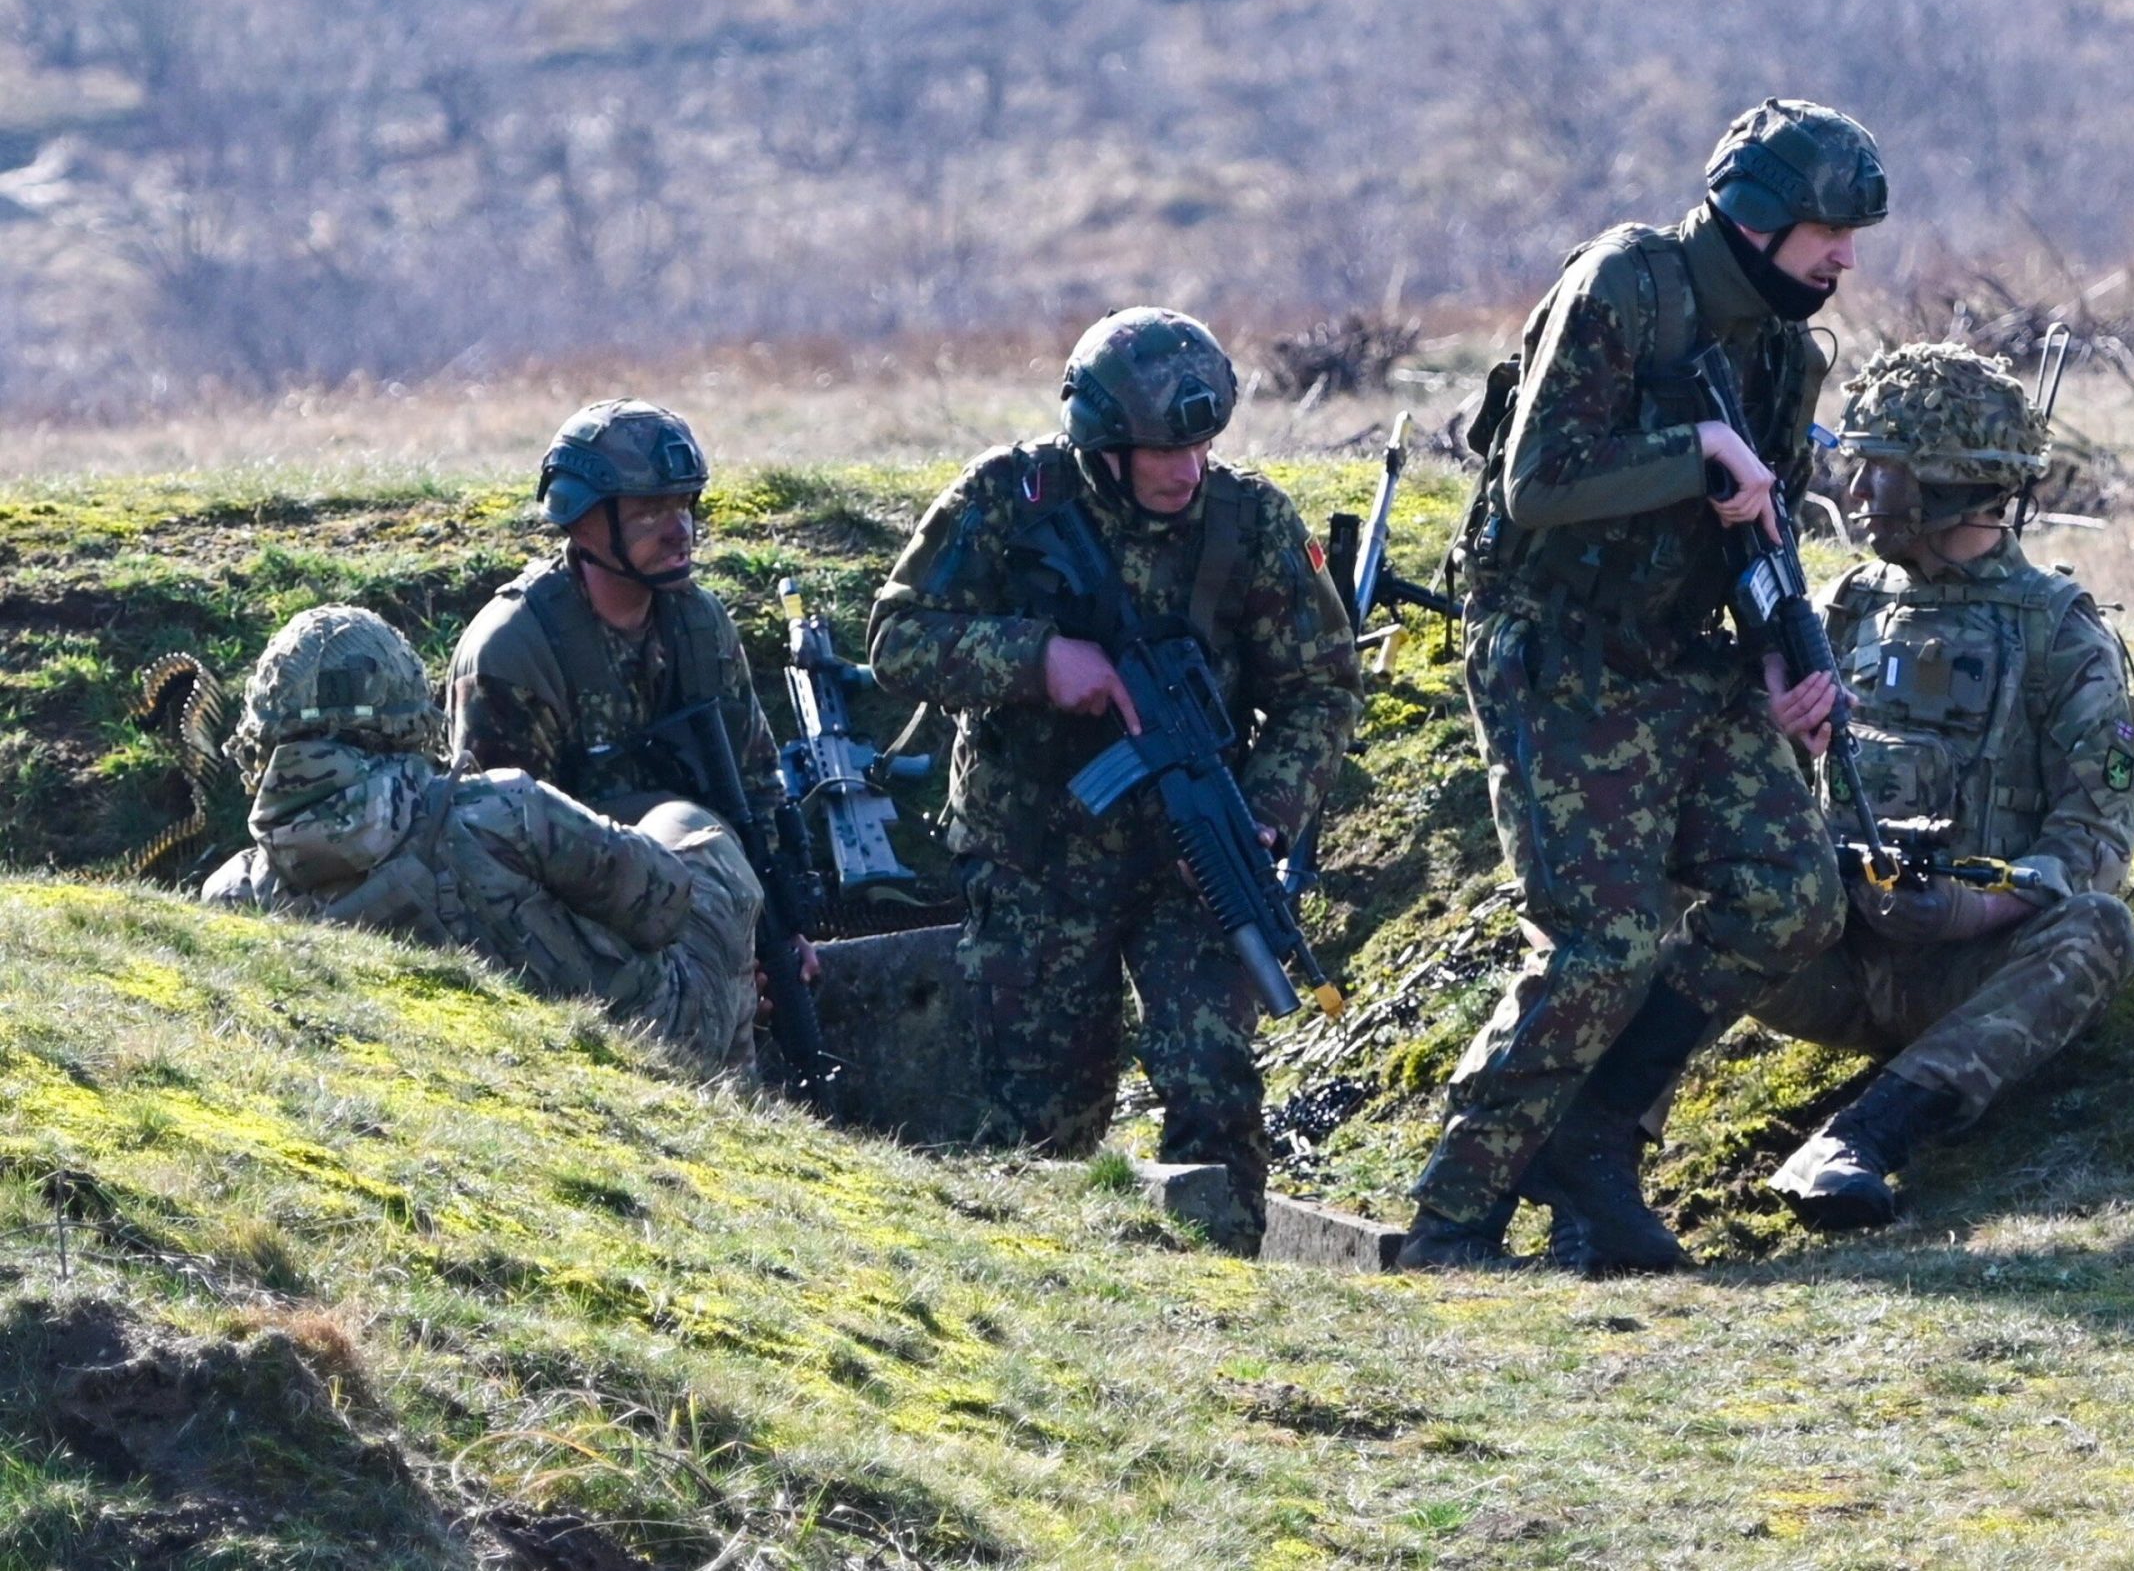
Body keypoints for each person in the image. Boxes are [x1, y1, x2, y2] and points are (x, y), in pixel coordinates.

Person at [1403, 98, 1890, 1273]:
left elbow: (1752, 526)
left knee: (1791, 895)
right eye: (1828, 228)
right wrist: (1691, 454)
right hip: (1559, 650)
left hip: (1689, 654)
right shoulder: (1627, 284)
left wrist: (1786, 652)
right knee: (1603, 938)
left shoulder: (1786, 350)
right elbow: (1536, 482)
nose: (1844, 257)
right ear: (1758, 216)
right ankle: (1452, 1219)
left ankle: (1595, 1141)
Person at [866, 307, 1361, 1248]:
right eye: (1160, 451)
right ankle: (1051, 1299)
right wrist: (1040, 659)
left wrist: (1264, 813)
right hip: (1036, 858)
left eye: (1203, 445)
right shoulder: (1012, 499)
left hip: (1190, 860)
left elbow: (1320, 689)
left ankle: (1229, 1302)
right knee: (1042, 1112)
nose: (1186, 468)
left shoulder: (1248, 520)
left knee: (1216, 1080)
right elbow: (897, 636)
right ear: (1102, 444)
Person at [1744, 341, 2134, 1227]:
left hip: (1968, 972)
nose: (1854, 497)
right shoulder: (1850, 605)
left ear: (1945, 485)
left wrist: (1979, 909)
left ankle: (1862, 1140)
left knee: (2102, 934)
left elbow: (2097, 839)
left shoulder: (2060, 636)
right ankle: (1601, 1144)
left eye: (1877, 474)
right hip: (1834, 955)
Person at [203, 605, 762, 1070]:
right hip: (636, 1047)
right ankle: (743, 1094)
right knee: (691, 830)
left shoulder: (234, 896)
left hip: (431, 1082)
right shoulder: (503, 810)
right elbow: (664, 903)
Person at [442, 398, 815, 989]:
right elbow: (497, 857)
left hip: (704, 907)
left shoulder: (699, 623)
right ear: (583, 521)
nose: (679, 532)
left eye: (685, 507)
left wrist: (779, 932)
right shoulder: (515, 649)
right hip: (574, 943)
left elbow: (757, 785)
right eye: (648, 514)